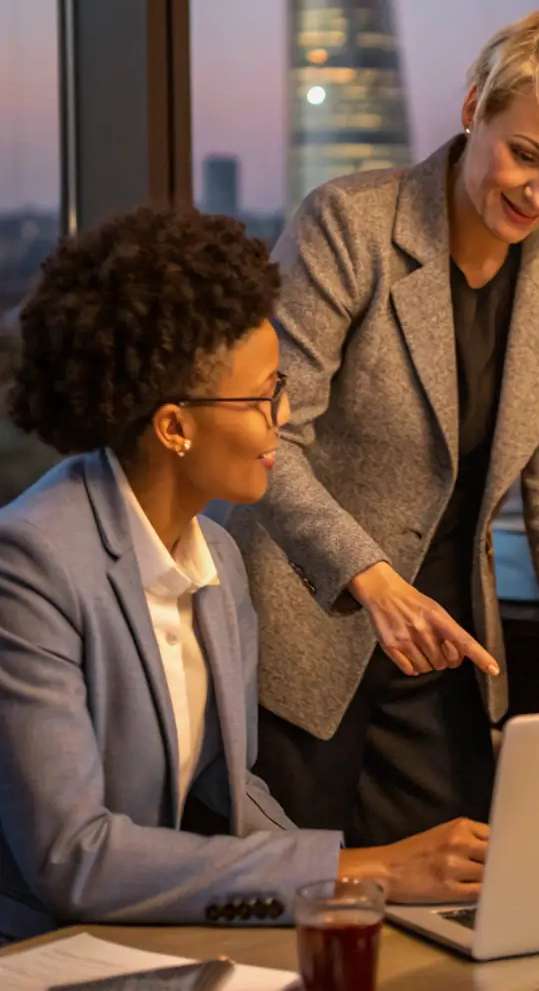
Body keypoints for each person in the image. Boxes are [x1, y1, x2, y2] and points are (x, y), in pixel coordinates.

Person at [0, 208, 486, 943]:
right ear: (174, 426)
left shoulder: (218, 558)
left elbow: (235, 793)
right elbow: (72, 858)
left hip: (132, 941)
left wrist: (345, 894)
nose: (282, 418)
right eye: (262, 398)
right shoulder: (31, 564)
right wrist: (369, 870)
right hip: (37, 950)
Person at [229, 9, 539, 844]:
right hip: (301, 630)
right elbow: (267, 440)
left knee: (450, 906)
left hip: (446, 644)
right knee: (301, 918)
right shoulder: (349, 222)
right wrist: (374, 582)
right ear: (472, 109)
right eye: (525, 154)